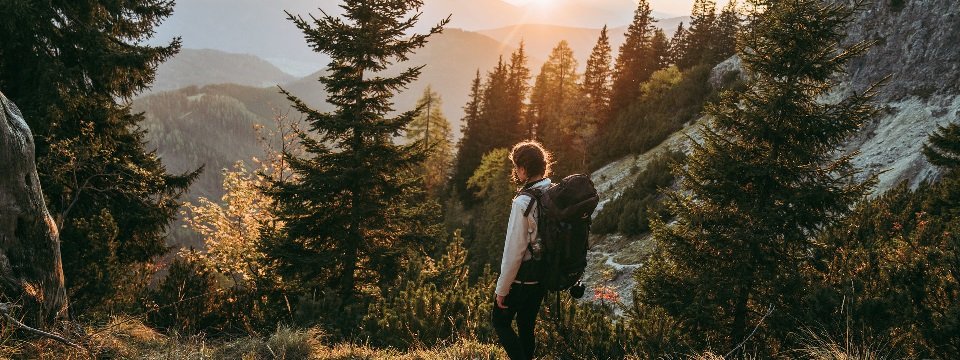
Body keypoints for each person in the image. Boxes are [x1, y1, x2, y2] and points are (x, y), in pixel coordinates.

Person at [492, 140, 553, 360]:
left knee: (499, 323)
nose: (515, 172)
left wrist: (502, 288)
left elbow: (513, 252)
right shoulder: (552, 192)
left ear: (524, 169)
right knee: (526, 326)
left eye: (516, 167)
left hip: (521, 280)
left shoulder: (523, 202)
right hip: (542, 277)